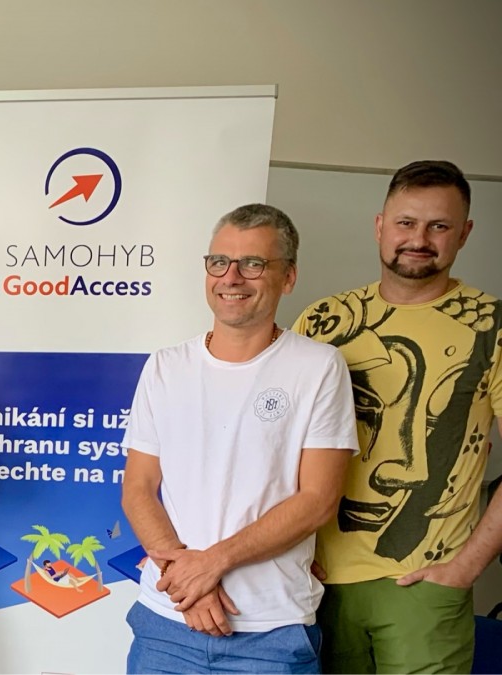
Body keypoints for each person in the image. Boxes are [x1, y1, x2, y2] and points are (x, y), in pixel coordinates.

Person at [121, 203, 359, 674]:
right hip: (166, 624)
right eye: (219, 262)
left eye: (253, 264)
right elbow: (138, 487)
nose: (231, 277)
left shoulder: (319, 367)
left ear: (288, 277)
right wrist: (186, 581)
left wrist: (213, 563)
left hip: (271, 633)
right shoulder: (166, 366)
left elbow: (318, 500)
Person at [292, 160, 502, 673]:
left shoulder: (493, 327)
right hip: (316, 585)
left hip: (425, 589)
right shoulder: (321, 322)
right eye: (406, 223)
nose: (419, 239)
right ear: (380, 226)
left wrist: (465, 567)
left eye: (439, 226)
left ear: (464, 234)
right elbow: (273, 445)